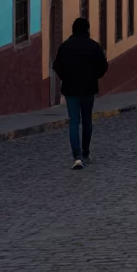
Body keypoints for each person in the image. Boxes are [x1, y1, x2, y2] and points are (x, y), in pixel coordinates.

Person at [52, 16, 108, 170]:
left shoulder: (65, 47)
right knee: (87, 120)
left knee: (74, 122)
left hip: (71, 90)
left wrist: (66, 78)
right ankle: (86, 153)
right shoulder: (94, 46)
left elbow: (57, 66)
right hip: (89, 89)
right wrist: (94, 76)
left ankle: (76, 156)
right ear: (87, 29)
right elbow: (103, 66)